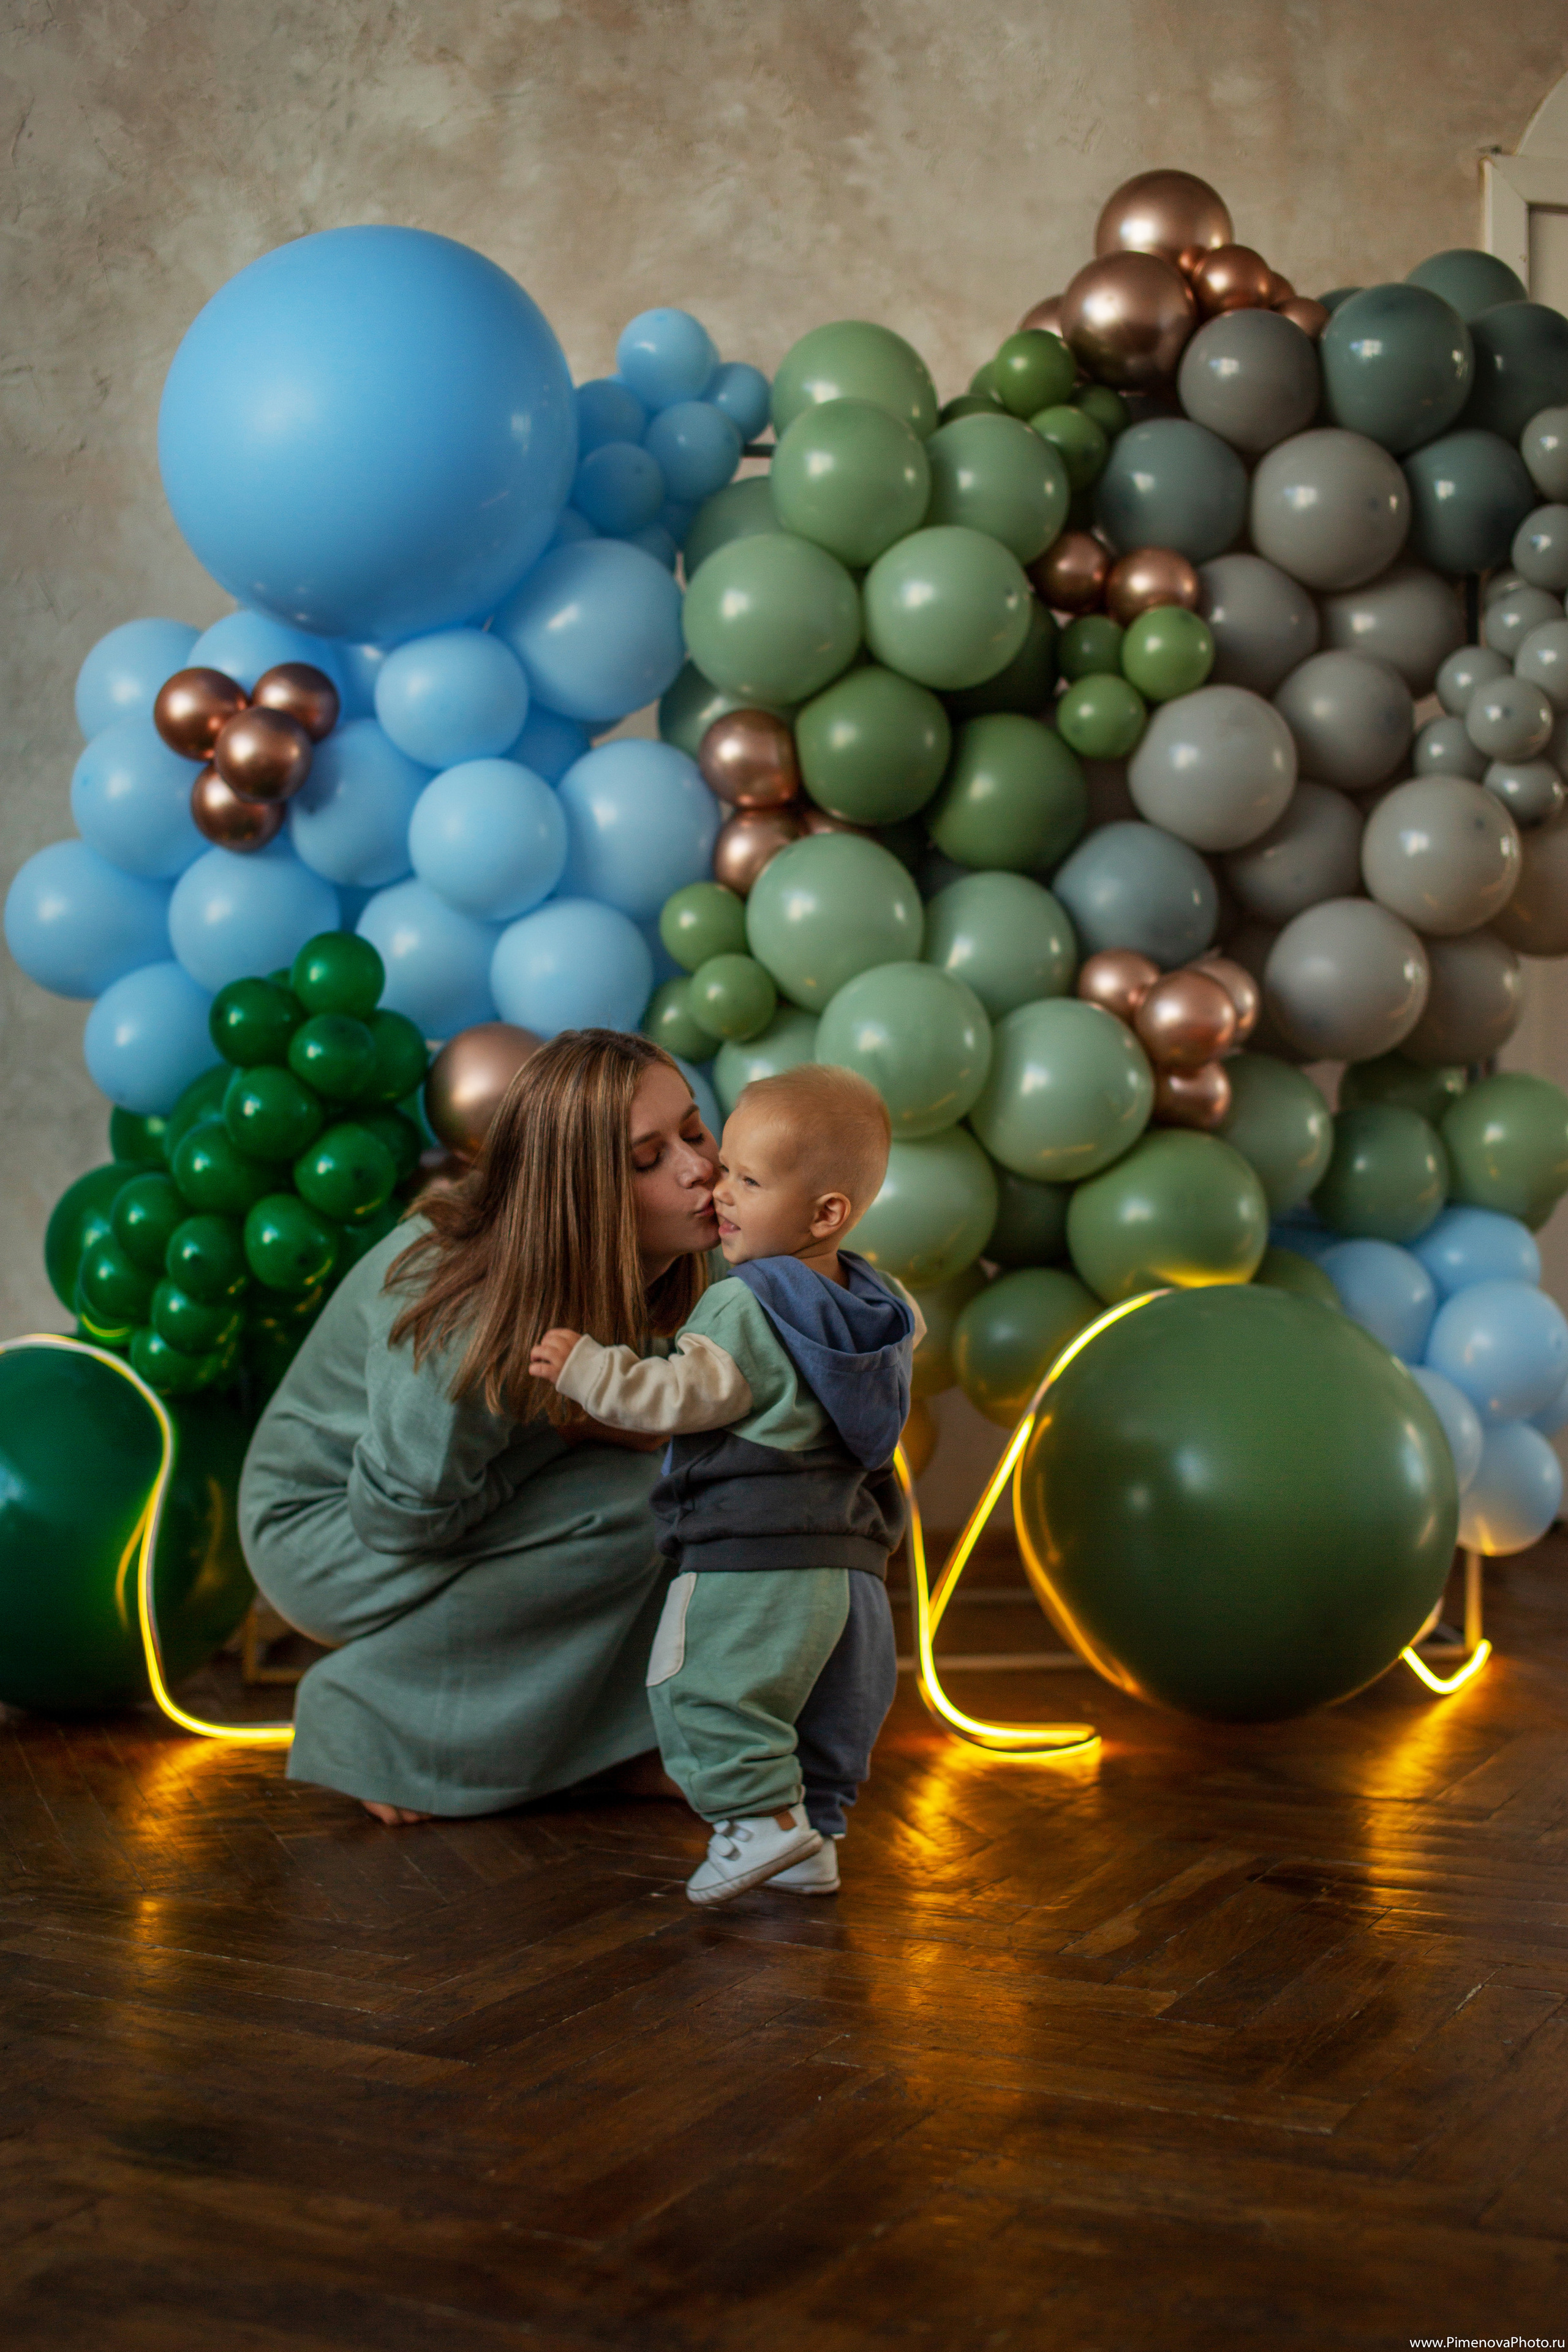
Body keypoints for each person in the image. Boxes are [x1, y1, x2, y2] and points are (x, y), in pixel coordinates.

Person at [238, 1030, 720, 1822]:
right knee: (640, 1500)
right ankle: (380, 1728)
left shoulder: (657, 1254)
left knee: (696, 1482)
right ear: (581, 1195)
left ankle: (618, 1748)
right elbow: (401, 1518)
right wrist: (576, 1432)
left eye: (695, 1131)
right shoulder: (471, 1316)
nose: (699, 1167)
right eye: (648, 1158)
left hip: (435, 1498)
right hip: (330, 1534)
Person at [530, 1063, 920, 1906]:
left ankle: (755, 1827)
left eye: (749, 1180)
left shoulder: (746, 1304)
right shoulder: (881, 1306)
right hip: (853, 1562)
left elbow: (683, 1395)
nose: (720, 1191)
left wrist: (590, 1369)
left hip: (753, 1550)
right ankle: (812, 1840)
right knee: (821, 1711)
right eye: (727, 1168)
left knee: (701, 1686)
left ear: (826, 1214)